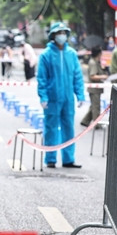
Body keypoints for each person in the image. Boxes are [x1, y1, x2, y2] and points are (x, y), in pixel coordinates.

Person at [36, 21, 85, 169]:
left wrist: (80, 94)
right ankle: (50, 158)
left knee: (68, 127)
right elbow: (42, 78)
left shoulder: (72, 54)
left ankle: (68, 159)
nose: (62, 36)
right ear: (53, 35)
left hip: (68, 98)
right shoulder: (46, 55)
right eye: (59, 33)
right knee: (51, 128)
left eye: (64, 33)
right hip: (52, 98)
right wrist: (43, 96)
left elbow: (77, 75)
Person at [80, 46, 108, 128]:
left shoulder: (95, 62)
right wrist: (103, 76)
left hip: (95, 88)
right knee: (96, 107)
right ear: (99, 54)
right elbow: (93, 76)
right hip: (94, 89)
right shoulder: (93, 63)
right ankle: (97, 124)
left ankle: (85, 121)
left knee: (93, 106)